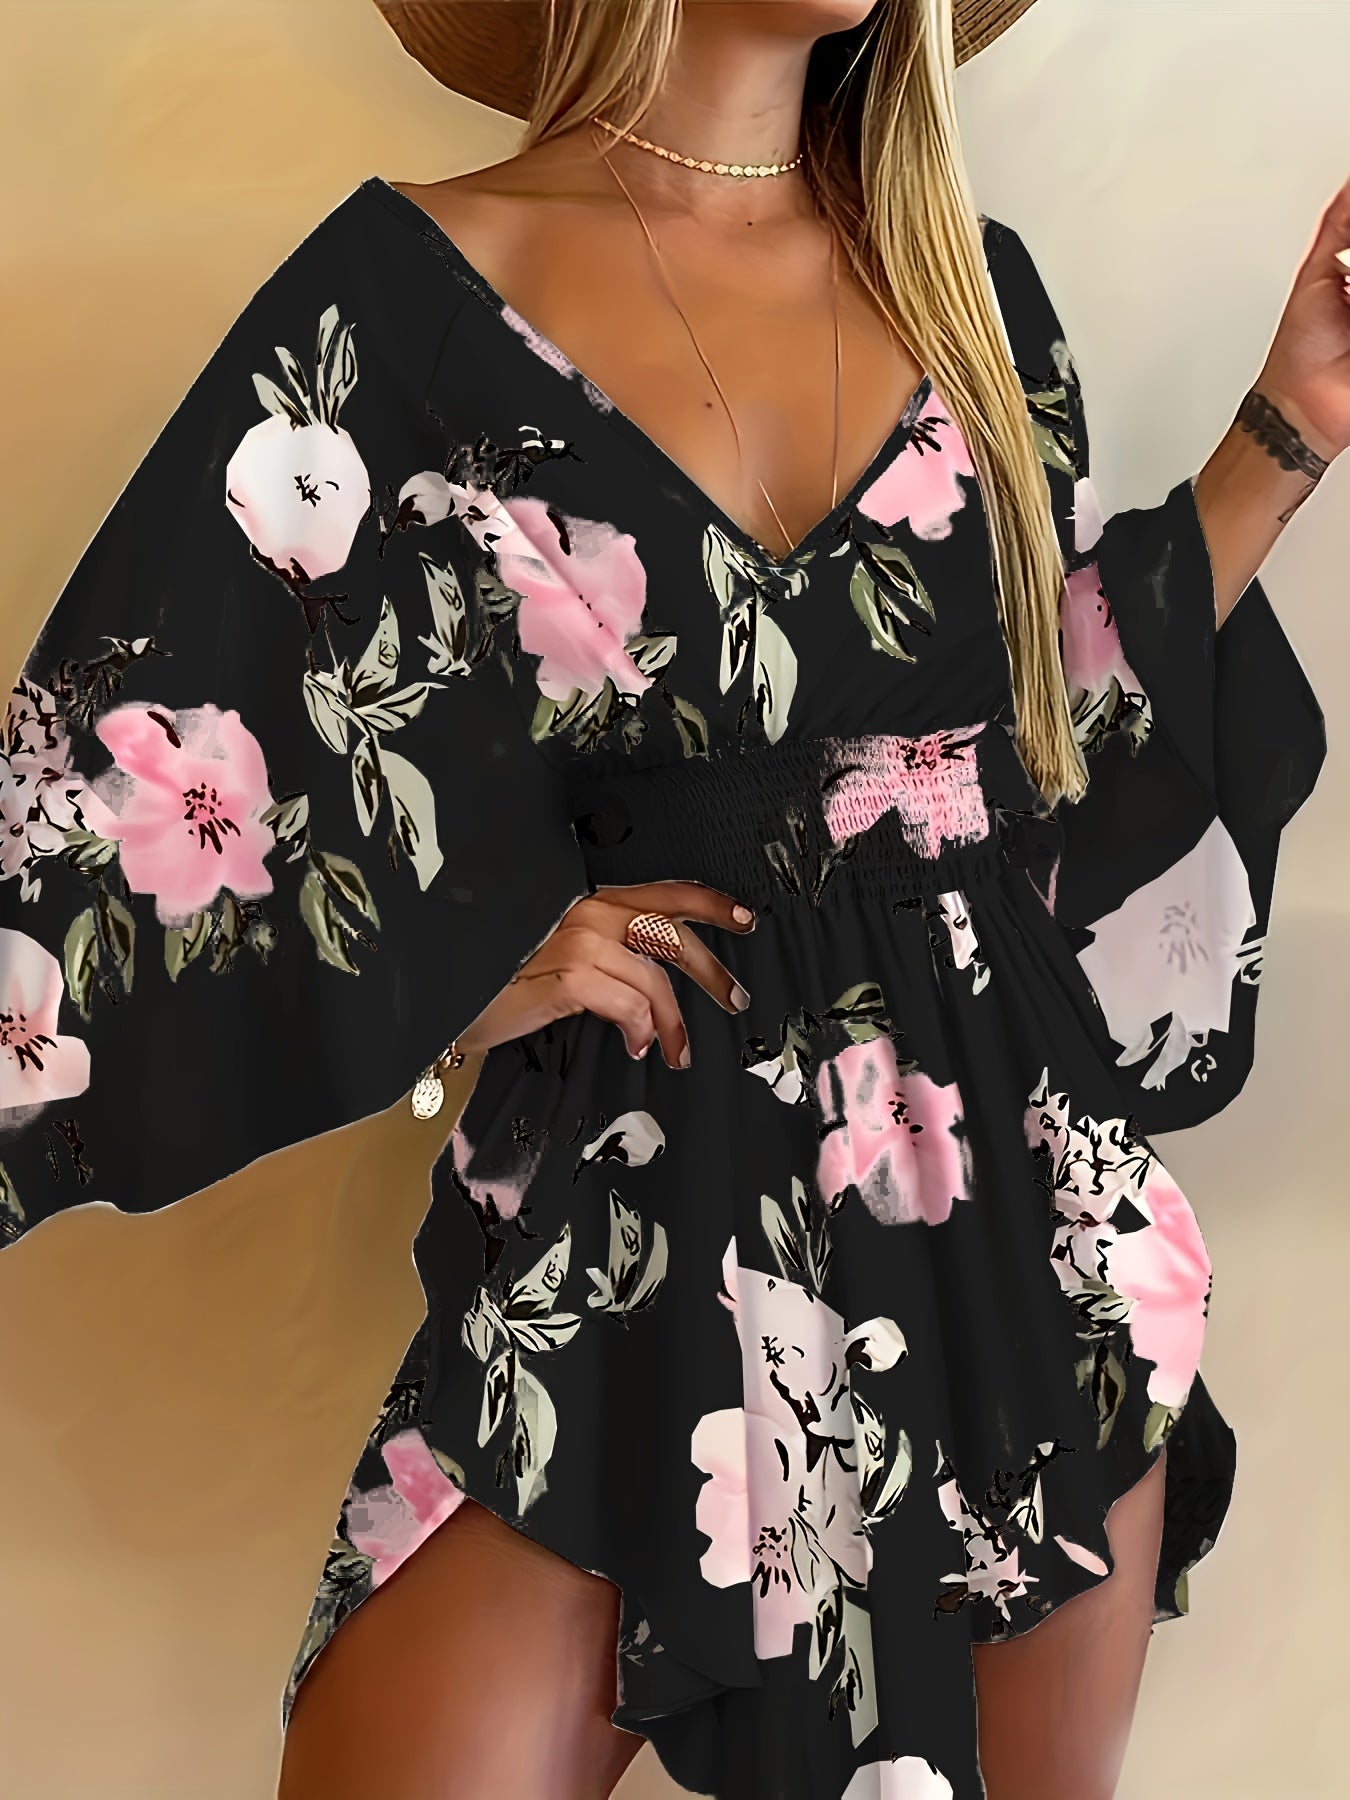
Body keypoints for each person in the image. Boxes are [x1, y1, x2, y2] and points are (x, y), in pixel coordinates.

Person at [1, 1, 1342, 1796]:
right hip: (623, 1218)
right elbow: (119, 792)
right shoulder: (400, 300)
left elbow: (1027, 749)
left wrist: (1290, 422)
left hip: (1009, 1229)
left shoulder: (977, 296)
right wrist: (461, 966)